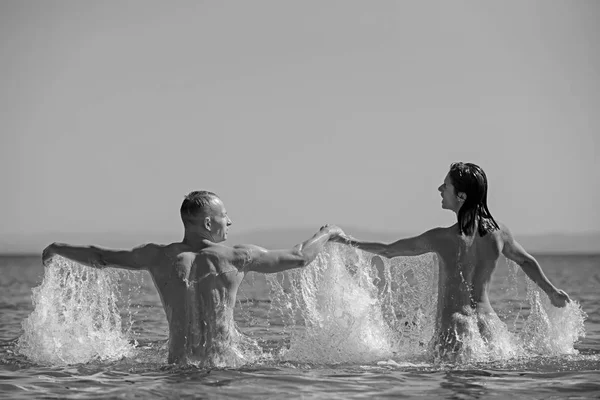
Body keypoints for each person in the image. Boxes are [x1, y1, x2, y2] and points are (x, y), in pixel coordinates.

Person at [42, 191, 344, 366]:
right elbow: (300, 256)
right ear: (209, 221)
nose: (230, 221)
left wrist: (59, 248)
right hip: (223, 368)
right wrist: (327, 232)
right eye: (225, 215)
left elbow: (100, 256)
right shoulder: (236, 256)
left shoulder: (157, 256)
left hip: (176, 369)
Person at [332, 162, 571, 357]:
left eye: (445, 185)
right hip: (491, 325)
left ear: (461, 195)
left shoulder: (443, 238)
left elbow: (389, 250)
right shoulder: (500, 234)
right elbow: (526, 261)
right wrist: (551, 292)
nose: (439, 189)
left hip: (455, 327)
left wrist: (344, 240)